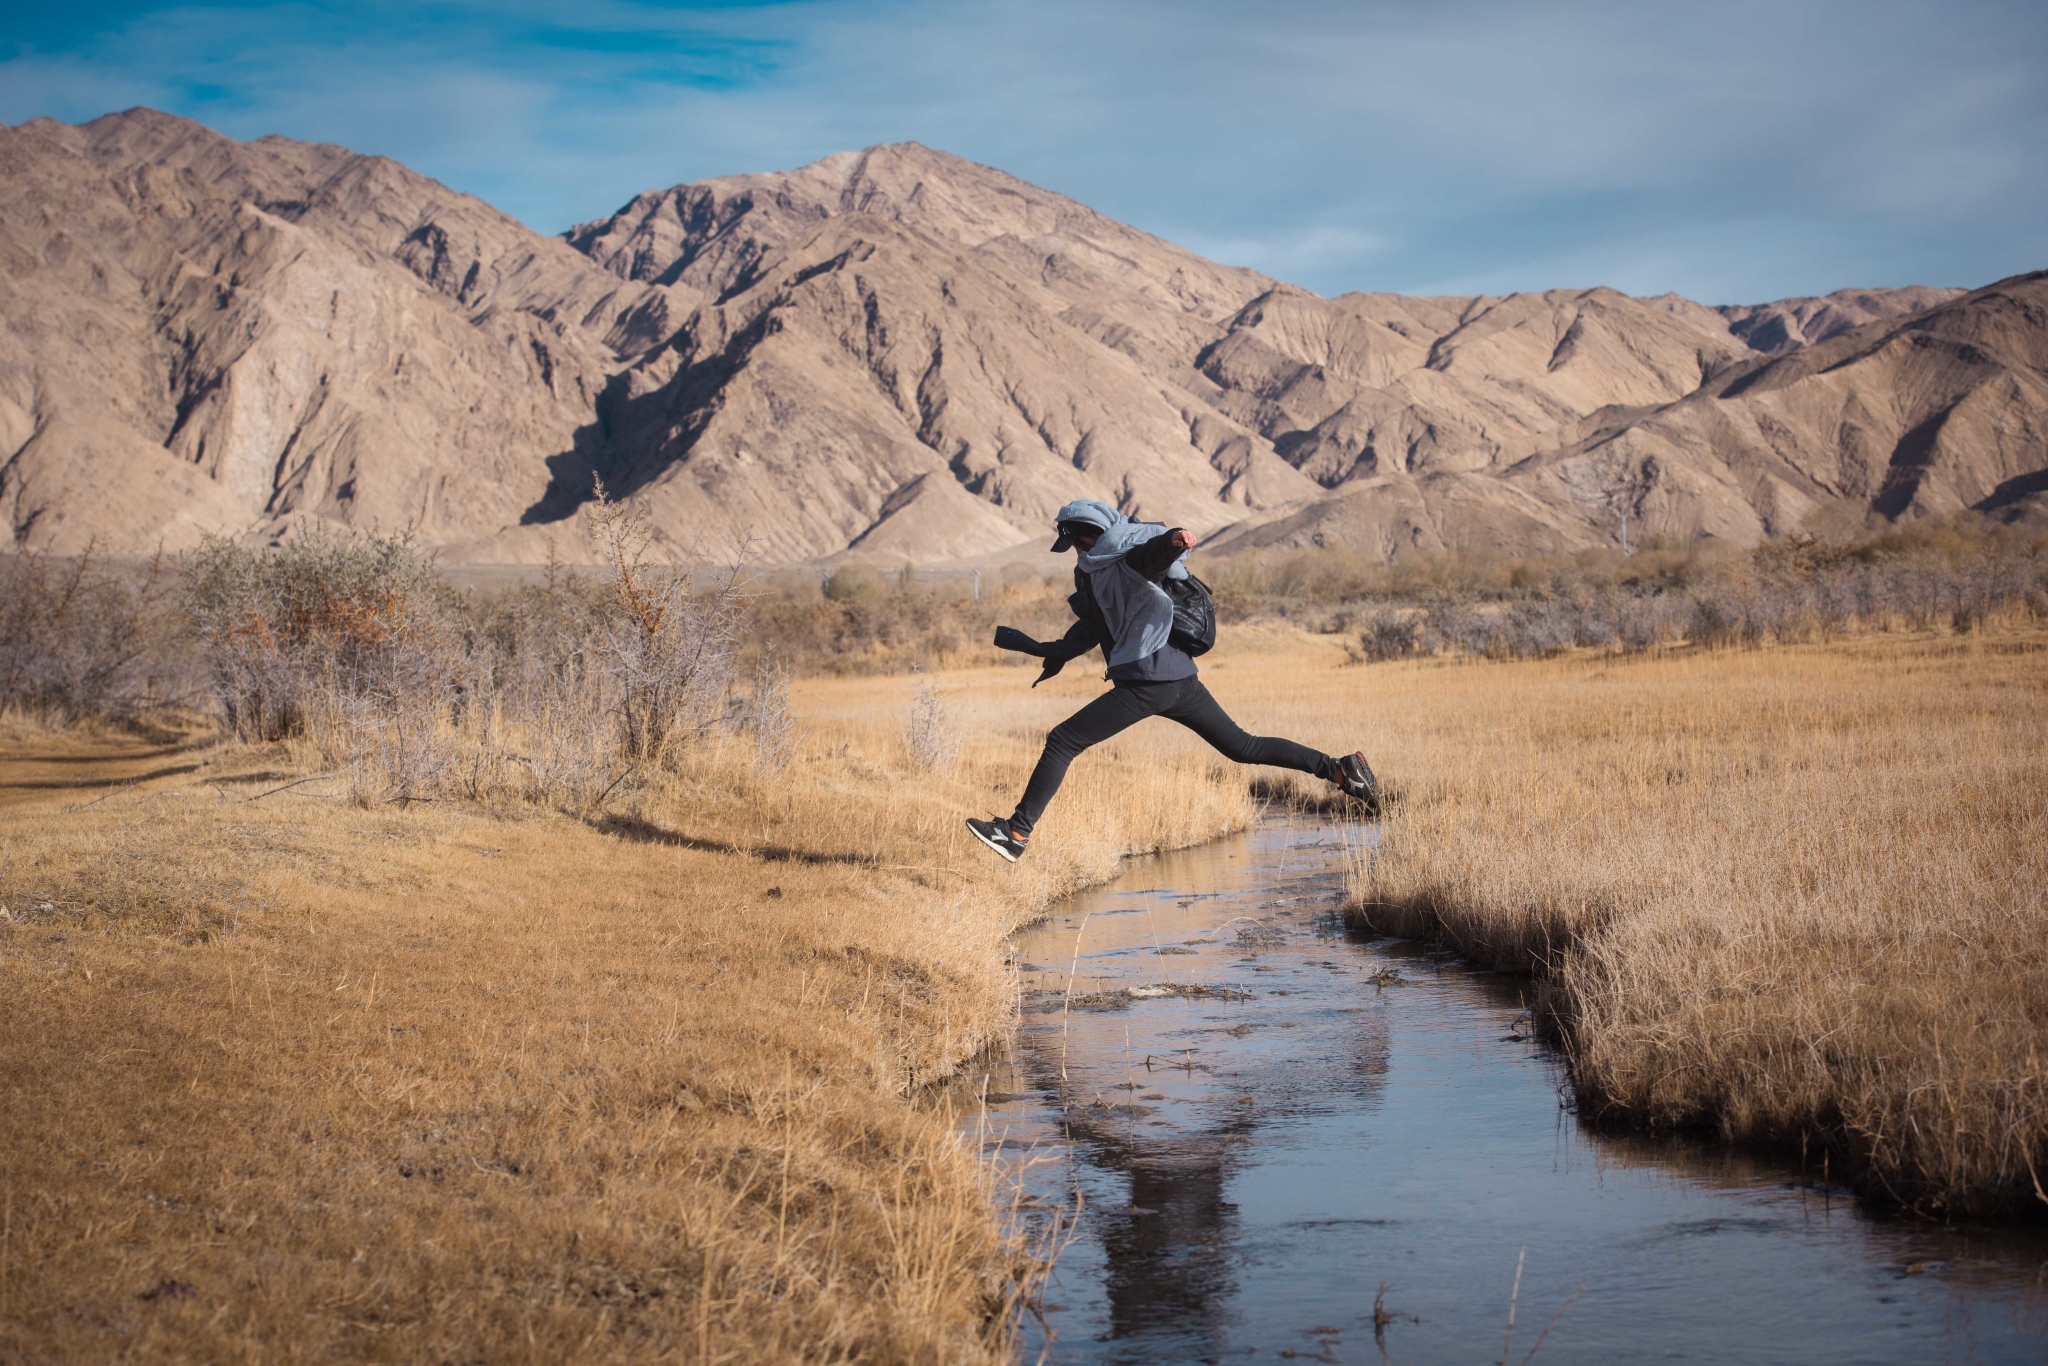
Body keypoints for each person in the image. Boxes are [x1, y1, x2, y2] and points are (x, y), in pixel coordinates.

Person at [966, 499, 1379, 863]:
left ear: (1090, 536)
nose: (1075, 551)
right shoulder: (1098, 574)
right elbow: (1092, 629)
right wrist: (1050, 653)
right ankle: (1342, 770)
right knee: (1243, 746)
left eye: (1076, 542)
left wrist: (1175, 542)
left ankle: (1015, 834)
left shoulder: (1124, 562)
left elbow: (1151, 554)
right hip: (1180, 677)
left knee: (1062, 741)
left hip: (1147, 683)